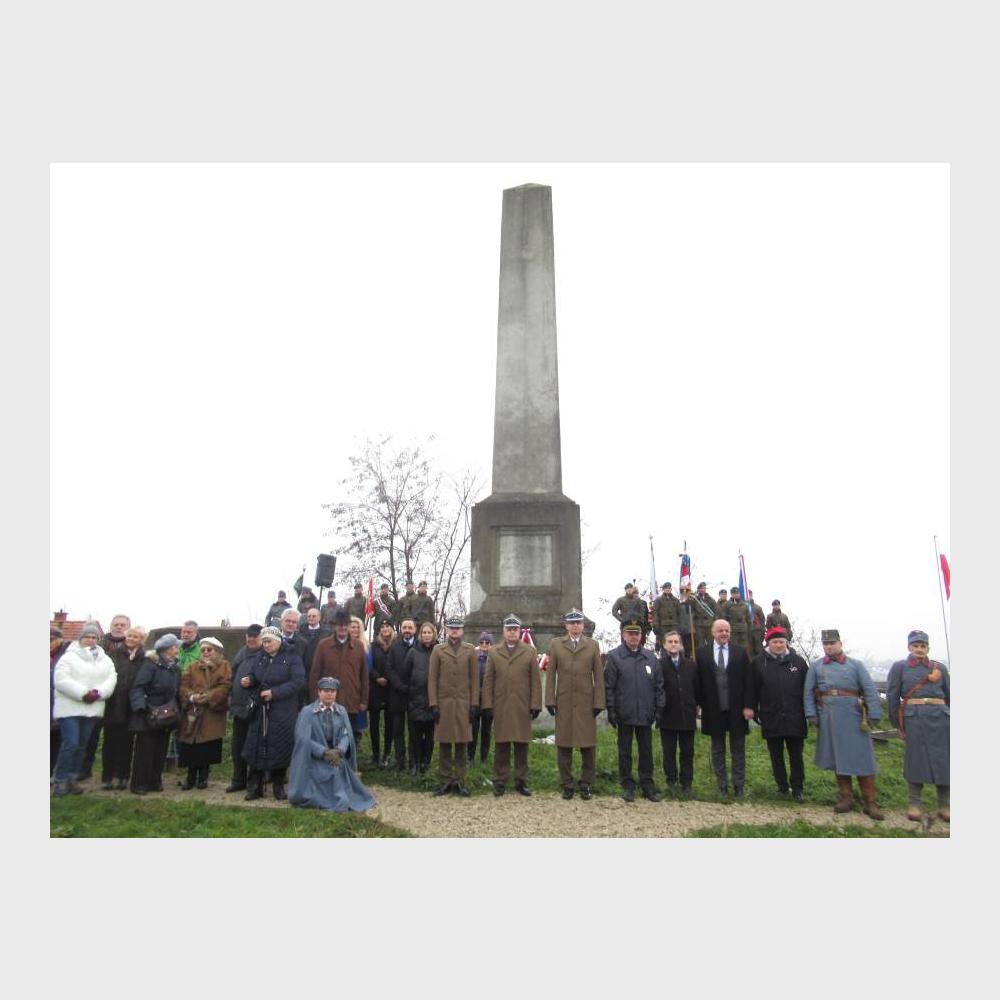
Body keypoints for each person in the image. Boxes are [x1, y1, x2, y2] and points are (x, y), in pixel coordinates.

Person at [804, 628, 884, 820]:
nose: (829, 647)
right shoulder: (816, 667)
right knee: (838, 758)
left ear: (840, 644)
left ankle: (870, 801)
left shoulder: (856, 665)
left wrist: (874, 713)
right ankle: (846, 797)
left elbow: (869, 690)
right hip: (829, 717)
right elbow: (808, 692)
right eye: (826, 644)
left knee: (862, 758)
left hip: (854, 717)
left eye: (832, 643)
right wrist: (811, 714)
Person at [886, 629, 950, 823]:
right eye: (915, 646)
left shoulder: (939, 668)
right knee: (915, 760)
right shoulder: (899, 667)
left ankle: (945, 805)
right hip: (914, 719)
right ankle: (914, 804)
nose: (919, 649)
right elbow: (892, 696)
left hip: (940, 718)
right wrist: (898, 723)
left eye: (923, 646)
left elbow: (949, 695)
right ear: (909, 647)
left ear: (928, 648)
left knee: (944, 761)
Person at [289, 677, 376, 812]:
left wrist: (339, 750)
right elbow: (303, 739)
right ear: (319, 692)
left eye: (332, 691)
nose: (329, 694)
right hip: (314, 759)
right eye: (326, 691)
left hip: (336, 756)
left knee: (339, 774)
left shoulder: (341, 711)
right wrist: (324, 752)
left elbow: (346, 734)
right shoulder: (307, 712)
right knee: (328, 774)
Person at [242, 625, 306, 801]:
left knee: (280, 745)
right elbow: (255, 674)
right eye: (264, 641)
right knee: (257, 745)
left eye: (269, 641)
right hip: (261, 709)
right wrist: (249, 680)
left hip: (283, 709)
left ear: (278, 641)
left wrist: (275, 693)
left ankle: (278, 785)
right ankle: (255, 786)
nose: (266, 645)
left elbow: (298, 682)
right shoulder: (261, 656)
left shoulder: (292, 657)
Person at [546, 609, 605, 800]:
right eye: (572, 623)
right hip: (564, 701)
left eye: (578, 623)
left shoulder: (592, 645)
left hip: (586, 702)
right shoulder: (556, 644)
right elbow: (551, 674)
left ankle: (586, 783)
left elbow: (599, 676)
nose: (575, 626)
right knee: (564, 744)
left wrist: (598, 701)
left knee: (588, 745)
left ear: (583, 625)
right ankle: (567, 784)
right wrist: (550, 699)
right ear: (566, 626)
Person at [52, 624, 117, 796]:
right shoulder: (68, 657)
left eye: (94, 637)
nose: (90, 640)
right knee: (70, 744)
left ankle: (72, 779)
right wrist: (83, 693)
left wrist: (99, 692)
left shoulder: (105, 660)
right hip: (70, 708)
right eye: (87, 637)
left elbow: (111, 679)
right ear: (81, 638)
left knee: (82, 745)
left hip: (92, 707)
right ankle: (60, 780)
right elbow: (61, 680)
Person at [605, 618, 665, 802]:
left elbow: (659, 685)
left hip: (645, 713)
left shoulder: (650, 657)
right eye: (630, 633)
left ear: (641, 636)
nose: (634, 637)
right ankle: (628, 785)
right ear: (623, 635)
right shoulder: (615, 657)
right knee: (625, 752)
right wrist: (611, 709)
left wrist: (659, 708)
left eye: (637, 633)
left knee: (646, 751)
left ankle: (647, 785)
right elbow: (609, 686)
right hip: (625, 713)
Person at [482, 615, 542, 796]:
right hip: (501, 704)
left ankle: (521, 781)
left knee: (521, 744)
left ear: (519, 631)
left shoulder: (529, 651)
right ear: (504, 631)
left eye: (515, 629)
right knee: (501, 744)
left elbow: (535, 680)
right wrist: (487, 704)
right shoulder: (494, 651)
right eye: (509, 629)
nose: (512, 632)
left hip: (522, 705)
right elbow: (488, 680)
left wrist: (535, 704)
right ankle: (500, 780)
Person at [747, 627, 809, 802]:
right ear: (768, 643)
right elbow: (752, 689)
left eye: (782, 641)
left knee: (796, 755)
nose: (779, 645)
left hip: (795, 716)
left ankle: (798, 788)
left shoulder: (798, 662)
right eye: (775, 642)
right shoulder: (758, 663)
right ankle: (782, 786)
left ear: (787, 643)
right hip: (771, 716)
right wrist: (753, 708)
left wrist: (810, 711)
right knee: (776, 754)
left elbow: (808, 689)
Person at [695, 619, 754, 798]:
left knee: (738, 750)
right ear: (713, 632)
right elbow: (698, 682)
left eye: (727, 630)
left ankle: (739, 787)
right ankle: (722, 787)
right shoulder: (702, 653)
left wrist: (748, 706)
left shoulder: (740, 652)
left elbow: (749, 681)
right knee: (717, 750)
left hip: (737, 709)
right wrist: (700, 704)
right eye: (720, 630)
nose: (724, 633)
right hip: (713, 709)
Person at [428, 616, 479, 796]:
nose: (454, 631)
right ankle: (445, 781)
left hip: (464, 704)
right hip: (444, 704)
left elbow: (474, 679)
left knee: (461, 744)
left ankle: (459, 781)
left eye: (457, 628)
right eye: (451, 628)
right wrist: (433, 704)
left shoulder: (470, 650)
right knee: (444, 744)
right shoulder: (438, 650)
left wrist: (474, 704)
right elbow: (432, 679)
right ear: (447, 630)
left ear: (462, 630)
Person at [78, 614, 131, 781]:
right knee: (91, 734)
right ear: (111, 626)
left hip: (119, 698)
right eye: (116, 624)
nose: (119, 627)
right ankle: (84, 768)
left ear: (128, 627)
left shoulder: (130, 645)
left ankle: (115, 770)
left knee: (115, 737)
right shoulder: (100, 644)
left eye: (122, 625)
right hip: (97, 695)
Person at [128, 633, 182, 795]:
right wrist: (141, 707)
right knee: (145, 750)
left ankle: (155, 781)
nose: (177, 649)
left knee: (160, 749)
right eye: (175, 646)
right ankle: (139, 783)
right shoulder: (150, 665)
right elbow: (138, 687)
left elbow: (176, 691)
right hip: (149, 713)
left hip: (167, 714)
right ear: (167, 649)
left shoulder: (175, 668)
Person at [177, 636, 232, 790]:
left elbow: (225, 686)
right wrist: (192, 696)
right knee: (191, 746)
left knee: (207, 746)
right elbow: (183, 686)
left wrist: (209, 697)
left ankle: (203, 777)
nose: (206, 652)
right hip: (194, 712)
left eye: (210, 650)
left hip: (211, 712)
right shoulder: (192, 667)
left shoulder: (224, 667)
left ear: (217, 651)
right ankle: (190, 777)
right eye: (203, 650)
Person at [309, 610, 369, 745]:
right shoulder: (323, 645)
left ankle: (348, 759)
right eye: (339, 624)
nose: (342, 627)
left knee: (349, 740)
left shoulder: (359, 646)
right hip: (327, 702)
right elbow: (315, 674)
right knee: (328, 740)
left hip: (351, 701)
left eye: (345, 624)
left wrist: (364, 701)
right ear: (334, 626)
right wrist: (315, 700)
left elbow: (364, 676)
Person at [100, 625, 147, 790]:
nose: (131, 639)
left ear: (141, 640)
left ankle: (123, 776)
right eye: (130, 636)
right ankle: (107, 776)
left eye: (135, 637)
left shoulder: (145, 659)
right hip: (113, 704)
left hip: (131, 706)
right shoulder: (114, 655)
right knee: (110, 742)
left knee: (127, 743)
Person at [656, 630, 698, 796]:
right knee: (669, 752)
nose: (673, 644)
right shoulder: (659, 665)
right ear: (665, 645)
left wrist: (697, 705)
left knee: (687, 752)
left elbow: (697, 687)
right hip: (667, 715)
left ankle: (686, 784)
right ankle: (671, 782)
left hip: (687, 714)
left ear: (680, 645)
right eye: (670, 642)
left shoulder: (691, 665)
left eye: (676, 642)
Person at [226, 624, 263, 793]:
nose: (252, 639)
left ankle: (253, 781)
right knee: (237, 746)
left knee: (254, 746)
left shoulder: (265, 655)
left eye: (255, 636)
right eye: (249, 636)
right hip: (239, 707)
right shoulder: (241, 653)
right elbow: (233, 674)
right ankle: (238, 779)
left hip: (256, 708)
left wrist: (253, 681)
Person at [405, 621, 438, 775]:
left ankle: (426, 762)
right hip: (415, 700)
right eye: (424, 632)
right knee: (415, 736)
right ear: (420, 634)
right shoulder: (413, 652)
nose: (426, 635)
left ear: (433, 634)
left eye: (429, 632)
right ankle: (415, 763)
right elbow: (405, 673)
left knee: (430, 736)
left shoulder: (438, 651)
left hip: (432, 701)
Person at [368, 620, 395, 766]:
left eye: (387, 626)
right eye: (382, 627)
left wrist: (389, 678)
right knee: (374, 724)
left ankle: (387, 754)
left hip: (391, 689)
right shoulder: (373, 646)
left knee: (389, 724)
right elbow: (368, 665)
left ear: (391, 629)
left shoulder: (396, 645)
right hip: (376, 688)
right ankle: (375, 754)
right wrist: (376, 677)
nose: (385, 629)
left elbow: (398, 665)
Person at [469, 631, 494, 763]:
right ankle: (470, 757)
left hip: (489, 700)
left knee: (486, 731)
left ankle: (483, 758)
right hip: (475, 699)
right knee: (473, 729)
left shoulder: (495, 658)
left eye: (487, 642)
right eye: (482, 642)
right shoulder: (473, 657)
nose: (484, 644)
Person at [50, 628, 72, 777]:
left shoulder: (67, 656)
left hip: (58, 702)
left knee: (55, 739)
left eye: (51, 640)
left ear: (59, 640)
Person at [723, 587, 753, 657]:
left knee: (744, 648)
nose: (736, 595)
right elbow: (723, 618)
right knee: (733, 648)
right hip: (732, 630)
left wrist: (749, 630)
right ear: (731, 594)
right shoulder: (727, 605)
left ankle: (743, 661)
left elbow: (748, 619)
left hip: (743, 630)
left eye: (737, 593)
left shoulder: (744, 604)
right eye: (734, 593)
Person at [652, 583, 680, 650]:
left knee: (674, 643)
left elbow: (679, 614)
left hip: (674, 625)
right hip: (663, 626)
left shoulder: (676, 600)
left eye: (669, 588)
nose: (667, 590)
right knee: (664, 644)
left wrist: (680, 625)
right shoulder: (658, 600)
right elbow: (655, 613)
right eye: (666, 588)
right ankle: (664, 656)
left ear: (671, 589)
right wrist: (656, 625)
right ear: (663, 589)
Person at [747, 591, 766, 656]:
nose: (749, 596)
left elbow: (762, 620)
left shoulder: (758, 607)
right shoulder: (743, 607)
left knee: (758, 649)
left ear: (751, 595)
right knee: (749, 650)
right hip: (747, 631)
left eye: (750, 595)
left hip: (757, 631)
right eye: (747, 595)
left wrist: (763, 631)